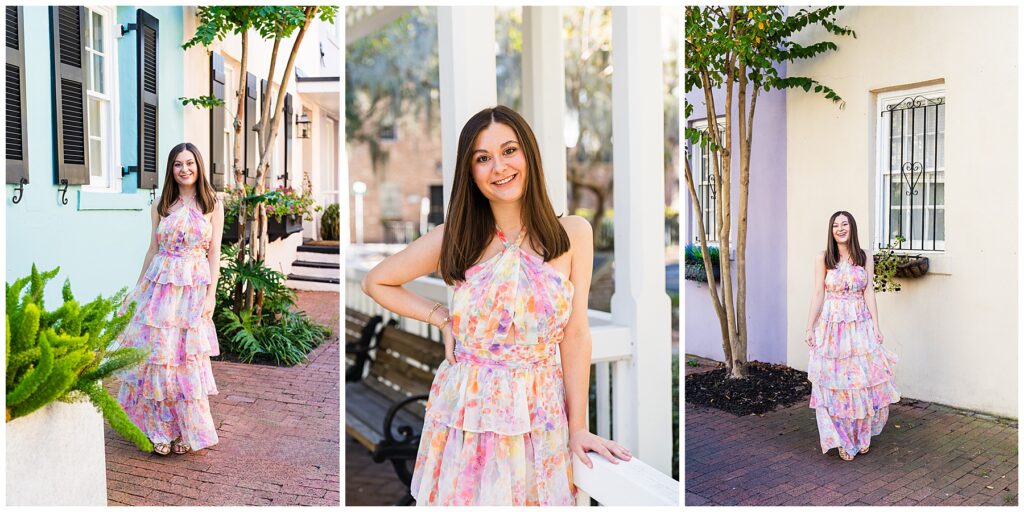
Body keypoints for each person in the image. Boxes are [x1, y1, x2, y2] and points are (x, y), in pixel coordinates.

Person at [362, 105, 631, 505]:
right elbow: (377, 281)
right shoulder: (455, 236)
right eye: (482, 158)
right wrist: (441, 318)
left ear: (529, 156)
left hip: (541, 415)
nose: (499, 167)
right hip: (469, 417)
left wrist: (579, 428)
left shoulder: (574, 234)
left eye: (509, 151)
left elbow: (575, 336)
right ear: (470, 172)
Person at [116, 142, 224, 455]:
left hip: (192, 289)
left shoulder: (212, 204)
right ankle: (158, 429)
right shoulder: (161, 204)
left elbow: (215, 252)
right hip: (160, 290)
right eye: (178, 164)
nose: (185, 169)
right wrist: (137, 289)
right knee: (158, 358)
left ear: (198, 166)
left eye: (190, 163)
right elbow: (152, 249)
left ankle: (184, 431)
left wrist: (211, 295)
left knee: (184, 359)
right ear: (171, 169)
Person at [803, 210, 900, 461]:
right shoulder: (824, 258)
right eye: (835, 225)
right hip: (833, 329)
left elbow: (869, 293)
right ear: (831, 230)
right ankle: (842, 440)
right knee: (837, 385)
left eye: (845, 224)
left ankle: (861, 436)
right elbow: (817, 294)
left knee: (861, 382)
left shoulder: (864, 256)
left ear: (852, 228)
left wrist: (877, 326)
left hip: (860, 326)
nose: (840, 228)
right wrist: (809, 326)